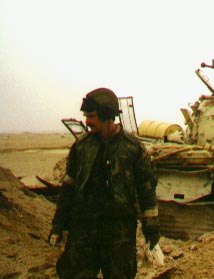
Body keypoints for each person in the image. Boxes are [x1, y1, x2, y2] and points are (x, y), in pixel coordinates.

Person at [48, 88, 160, 278]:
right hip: (83, 231)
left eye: (91, 116)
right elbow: (68, 190)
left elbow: (147, 192)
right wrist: (59, 225)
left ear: (108, 116)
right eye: (86, 116)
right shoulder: (81, 147)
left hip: (119, 234)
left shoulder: (133, 149)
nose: (87, 121)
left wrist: (152, 232)